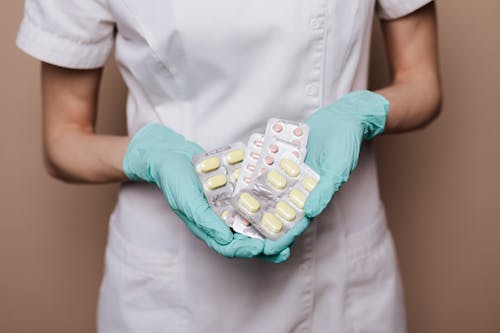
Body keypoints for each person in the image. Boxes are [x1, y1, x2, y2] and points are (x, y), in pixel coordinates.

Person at [17, 0, 441, 332]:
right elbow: (62, 140)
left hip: (338, 266)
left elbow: (422, 84)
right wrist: (148, 155)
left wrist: (359, 112)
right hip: (172, 281)